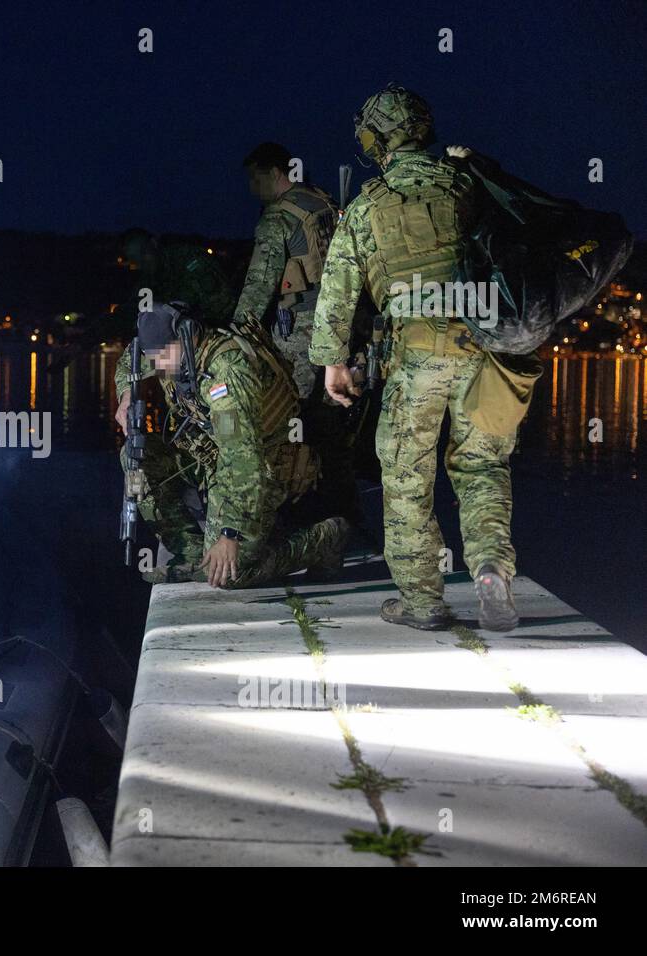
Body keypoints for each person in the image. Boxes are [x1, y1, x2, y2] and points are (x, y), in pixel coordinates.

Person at [309, 83, 520, 632]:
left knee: (406, 477)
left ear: (375, 140)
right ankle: (492, 569)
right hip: (486, 349)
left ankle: (423, 602)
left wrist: (332, 363)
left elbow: (336, 293)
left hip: (416, 354)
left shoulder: (365, 208)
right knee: (481, 467)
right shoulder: (470, 185)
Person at [114, 305, 348, 587]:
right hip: (210, 456)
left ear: (187, 335)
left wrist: (230, 534)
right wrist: (127, 396)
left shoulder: (226, 374)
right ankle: (190, 553)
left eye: (164, 357)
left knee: (232, 575)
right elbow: (132, 358)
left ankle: (326, 538)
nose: (159, 367)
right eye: (154, 359)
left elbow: (242, 457)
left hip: (262, 466)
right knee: (135, 457)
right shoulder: (169, 349)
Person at [232, 142, 358, 524]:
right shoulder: (321, 202)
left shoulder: (278, 216)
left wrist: (236, 337)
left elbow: (259, 284)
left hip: (300, 331)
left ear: (273, 174)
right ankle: (344, 509)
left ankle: (303, 514)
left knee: (293, 419)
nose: (252, 189)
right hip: (342, 326)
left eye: (255, 179)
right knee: (334, 423)